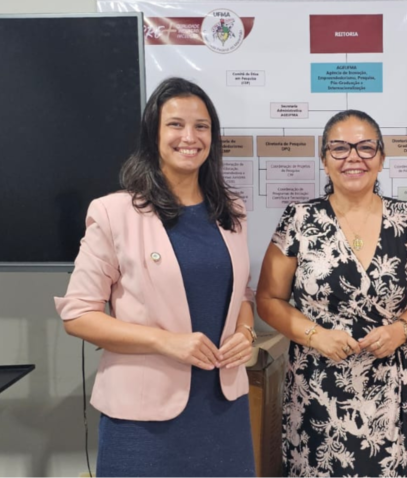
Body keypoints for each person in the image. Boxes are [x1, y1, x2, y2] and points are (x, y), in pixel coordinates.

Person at [54, 77, 256, 477]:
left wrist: (246, 334)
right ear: (153, 134)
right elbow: (77, 314)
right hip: (143, 421)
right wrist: (166, 342)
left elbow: (241, 294)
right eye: (175, 124)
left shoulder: (231, 210)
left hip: (223, 409)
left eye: (202, 126)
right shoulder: (115, 213)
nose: (190, 137)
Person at [257, 110, 407, 478]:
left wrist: (402, 330)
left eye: (365, 147)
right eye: (340, 148)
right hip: (317, 388)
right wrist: (315, 335)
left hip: (389, 388)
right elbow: (268, 299)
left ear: (382, 158)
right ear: (324, 159)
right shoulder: (299, 219)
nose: (353, 157)